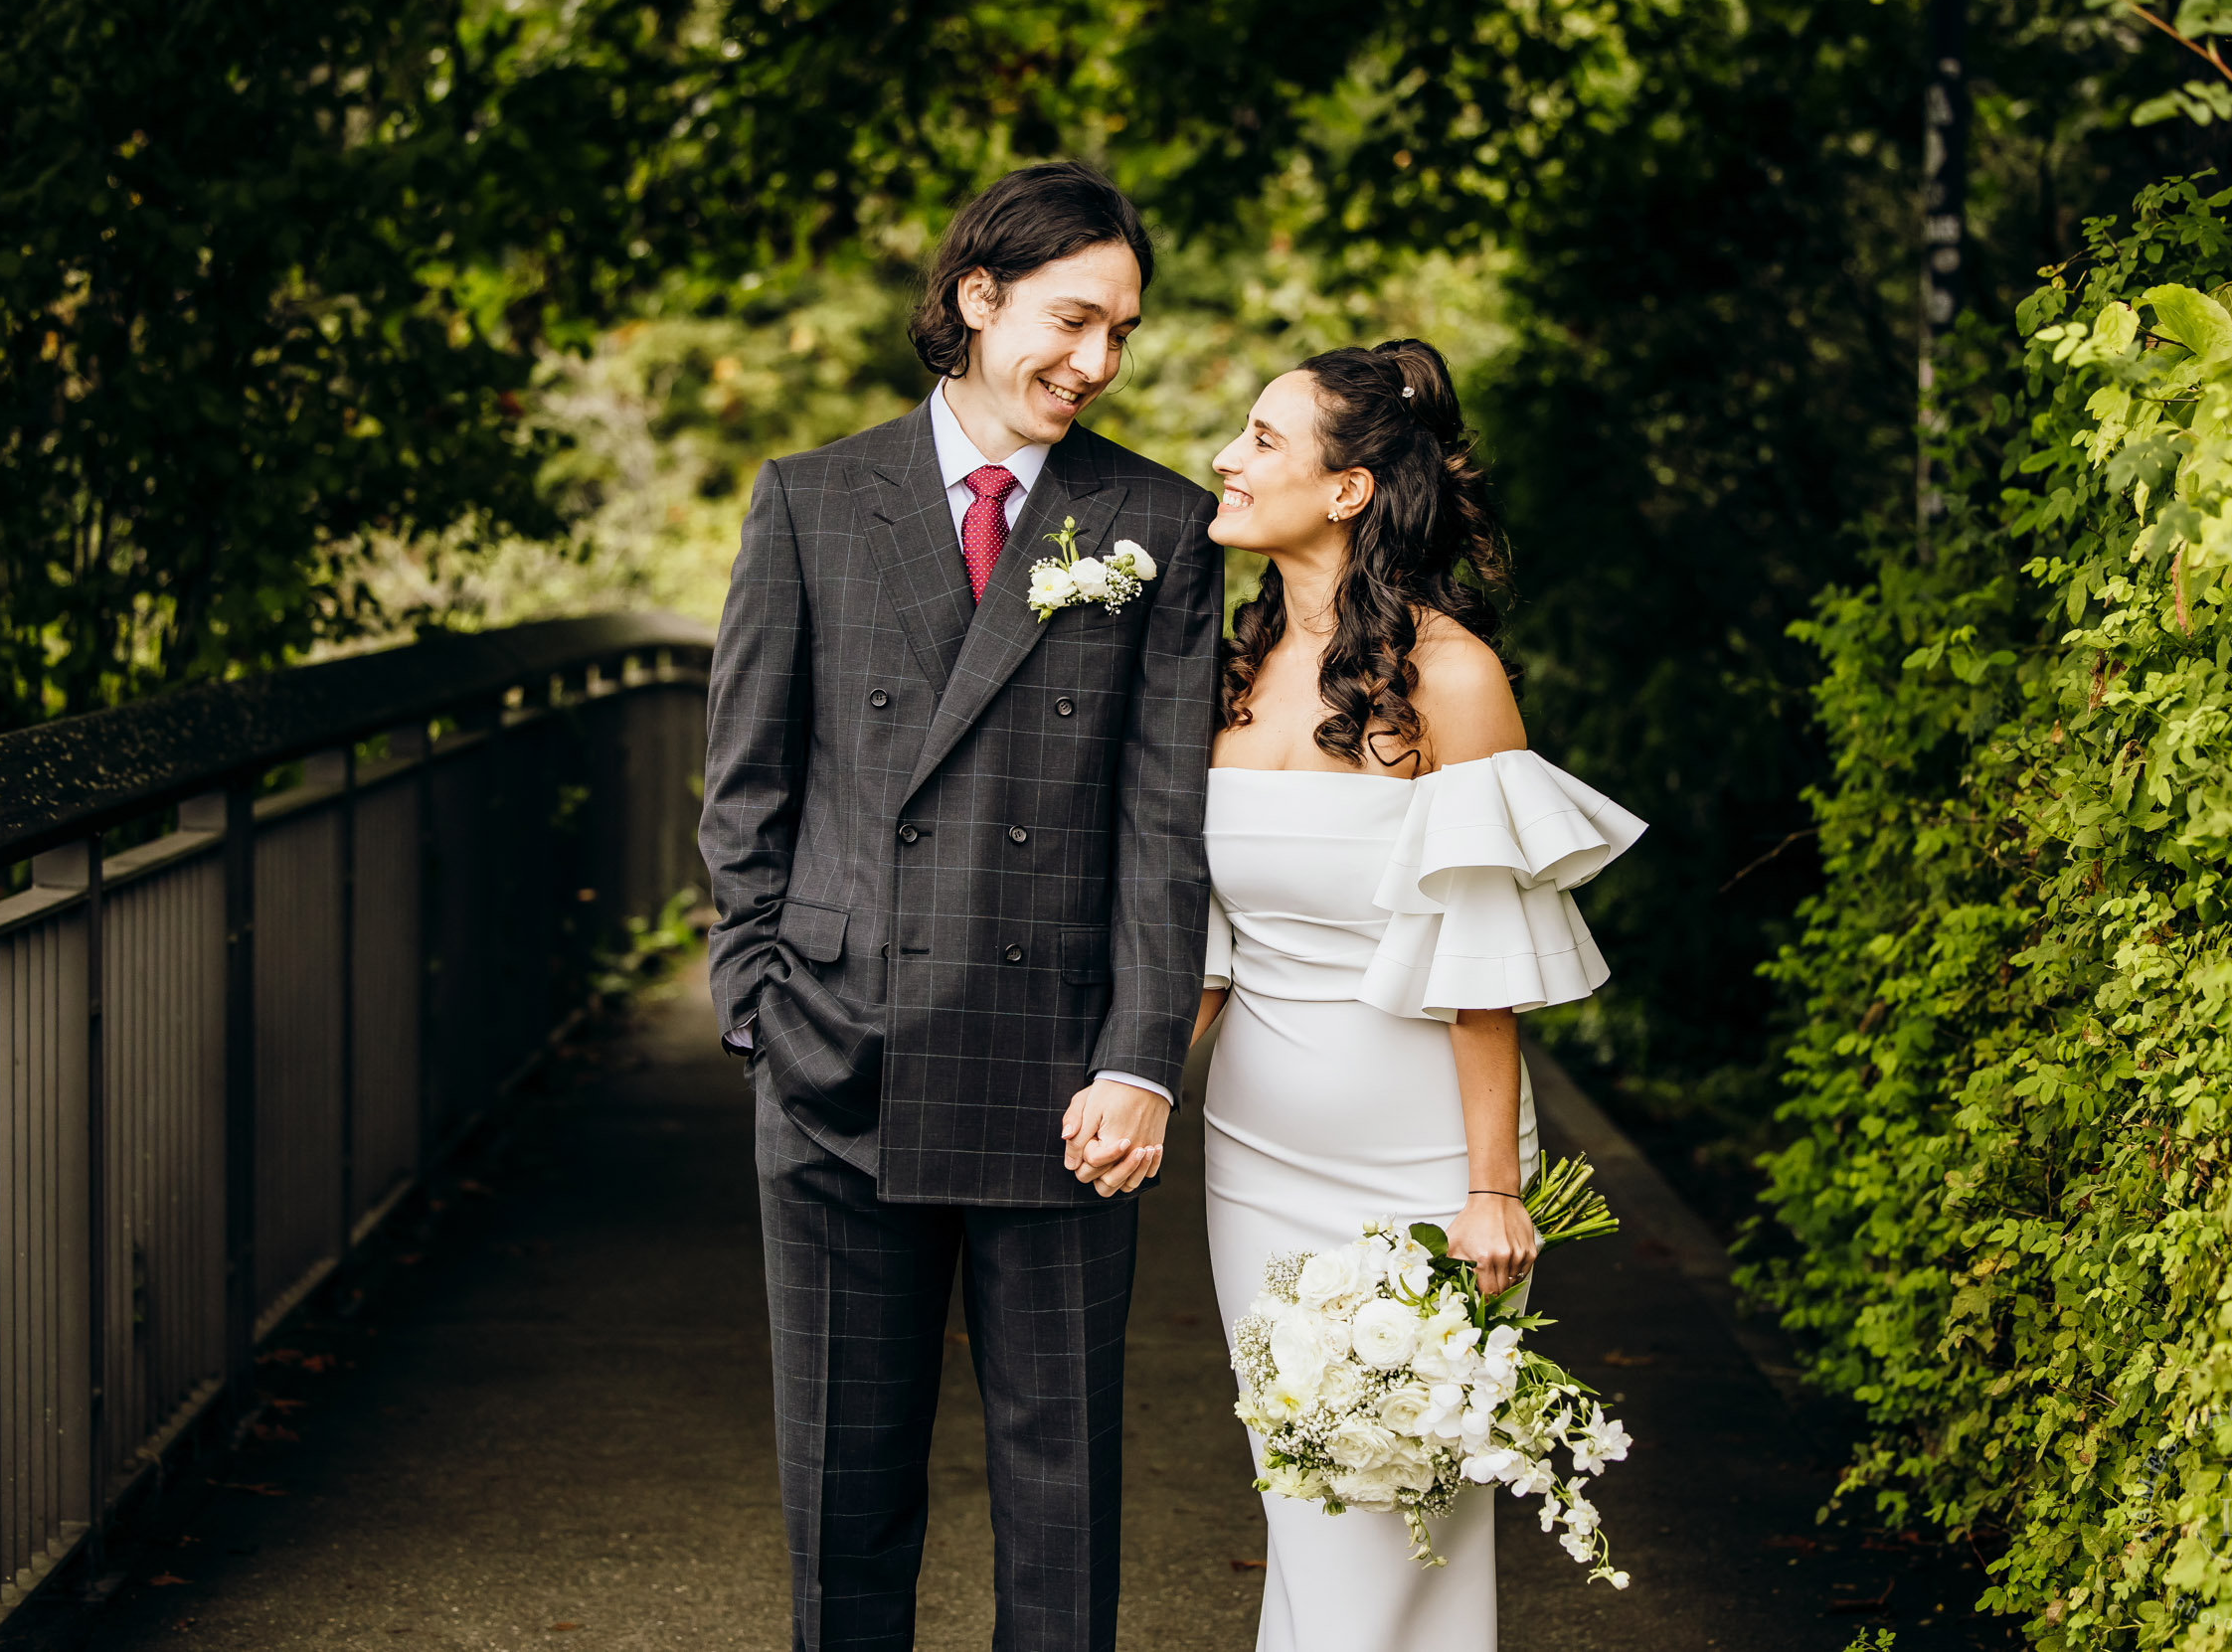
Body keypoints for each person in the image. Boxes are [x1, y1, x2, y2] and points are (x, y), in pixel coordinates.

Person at [697, 162, 1222, 1651]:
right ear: (979, 298)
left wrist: (1138, 1060)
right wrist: (753, 1004)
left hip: (1060, 1082)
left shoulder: (1157, 522)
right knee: (841, 1495)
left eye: (1123, 332)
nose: (1097, 363)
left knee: (1060, 1502)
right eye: (1072, 320)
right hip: (833, 1057)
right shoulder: (812, 498)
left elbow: (1162, 820)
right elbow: (745, 788)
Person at [1193, 340, 1644, 1651]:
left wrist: (1492, 1184)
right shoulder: (1229, 666)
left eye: (1264, 439)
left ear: (1346, 490)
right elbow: (1208, 944)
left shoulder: (1451, 679)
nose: (1228, 456)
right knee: (1316, 1512)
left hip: (1421, 1167)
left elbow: (1484, 956)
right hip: (1252, 1164)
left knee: (1376, 1520)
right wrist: (1137, 1086)